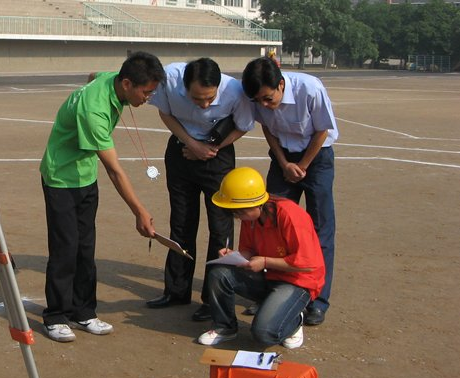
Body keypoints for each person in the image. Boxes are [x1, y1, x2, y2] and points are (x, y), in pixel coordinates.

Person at [40, 51, 164, 343]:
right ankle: (56, 315)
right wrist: (140, 212)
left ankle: (83, 312)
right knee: (65, 249)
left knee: (85, 248)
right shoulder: (93, 110)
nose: (148, 98)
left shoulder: (112, 81)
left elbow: (96, 75)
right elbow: (115, 171)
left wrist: (89, 81)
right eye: (146, 92)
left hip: (85, 176)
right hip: (61, 178)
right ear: (127, 84)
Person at [145, 57, 255, 322]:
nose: (204, 104)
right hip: (181, 149)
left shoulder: (235, 91)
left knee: (220, 228)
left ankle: (213, 297)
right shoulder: (170, 78)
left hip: (218, 156)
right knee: (181, 222)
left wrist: (210, 150)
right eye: (197, 99)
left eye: (209, 99)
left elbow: (242, 126)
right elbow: (165, 112)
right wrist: (192, 144)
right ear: (185, 86)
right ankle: (176, 290)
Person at [241, 56, 338, 326]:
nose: (263, 105)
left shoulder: (311, 89)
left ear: (281, 84)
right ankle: (270, 295)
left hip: (316, 158)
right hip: (282, 157)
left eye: (268, 99)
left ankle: (317, 301)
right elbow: (267, 128)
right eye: (258, 101)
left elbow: (322, 130)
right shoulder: (257, 98)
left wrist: (302, 166)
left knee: (321, 229)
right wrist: (284, 163)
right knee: (268, 223)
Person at [196, 167, 324, 349]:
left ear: (257, 204)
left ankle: (295, 320)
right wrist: (236, 256)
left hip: (297, 282)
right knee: (219, 273)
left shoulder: (290, 215)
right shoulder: (251, 218)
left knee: (264, 334)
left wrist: (265, 261)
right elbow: (249, 249)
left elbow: (307, 264)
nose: (237, 216)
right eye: (234, 212)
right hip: (268, 276)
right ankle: (224, 326)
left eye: (239, 211)